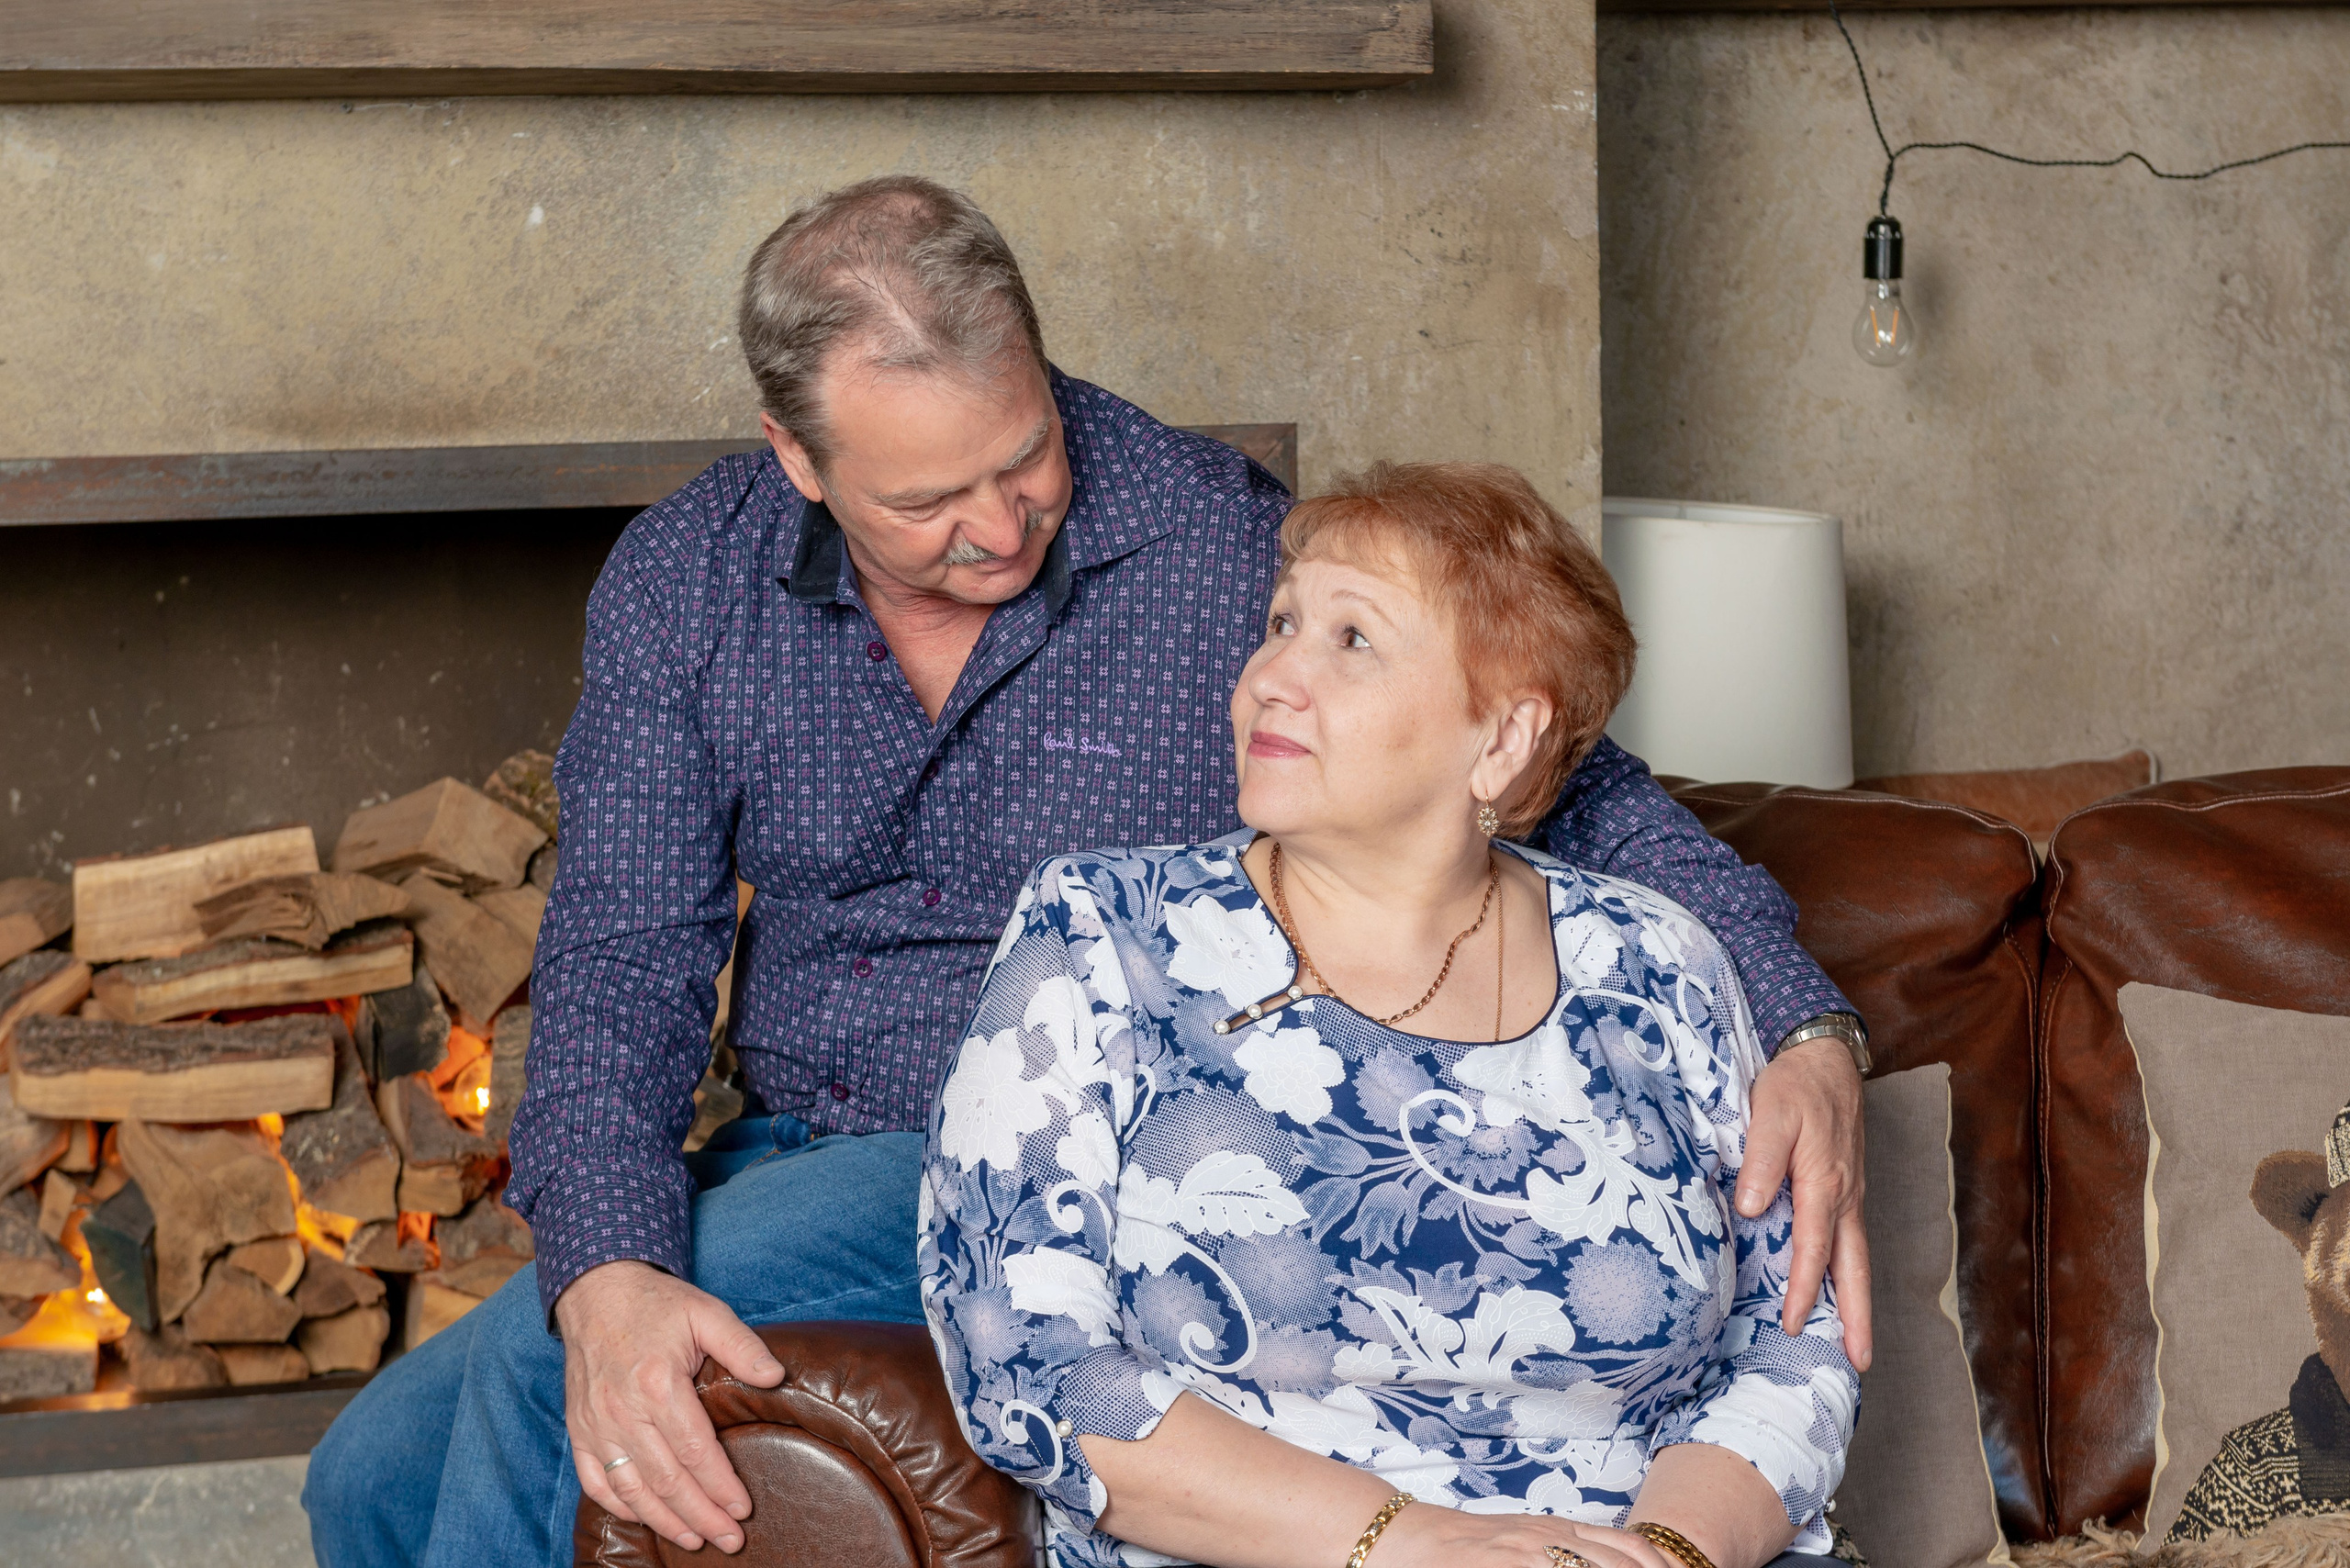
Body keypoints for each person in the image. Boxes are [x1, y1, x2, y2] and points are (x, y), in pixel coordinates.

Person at [302, 176, 1871, 1568]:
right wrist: (614, 1262)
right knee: (363, 1470)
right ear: (795, 454)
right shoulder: (687, 577)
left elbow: (1572, 788)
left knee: (530, 1365)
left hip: (1057, 1148)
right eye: (927, 500)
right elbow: (620, 962)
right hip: (791, 1149)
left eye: (1026, 455)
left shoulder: (1213, 540)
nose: (998, 524)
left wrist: (1805, 1035)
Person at [923, 460, 1857, 1568]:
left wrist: (1671, 1549)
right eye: (1280, 624)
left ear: (1501, 742)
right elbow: (1023, 1358)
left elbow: (1791, 1335)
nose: (1272, 675)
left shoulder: (1659, 962)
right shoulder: (1100, 933)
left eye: (1350, 639)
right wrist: (1413, 1544)